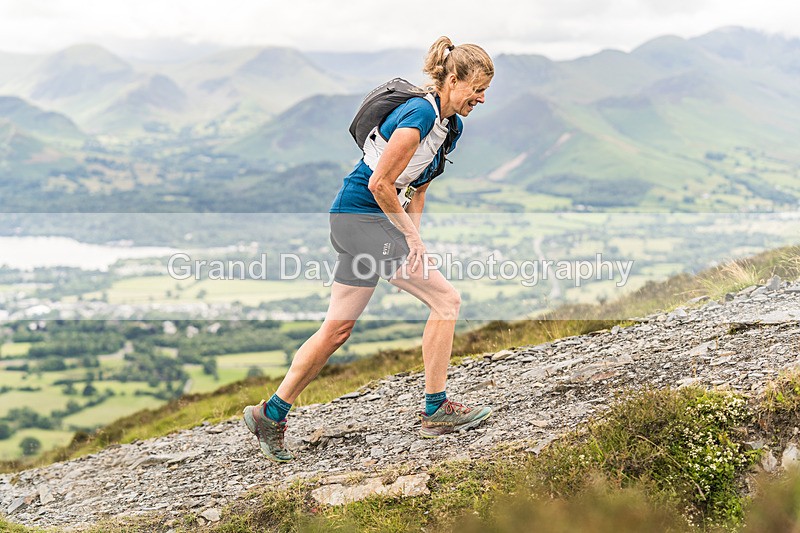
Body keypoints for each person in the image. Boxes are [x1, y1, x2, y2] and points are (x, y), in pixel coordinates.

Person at [243, 36, 495, 462]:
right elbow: (380, 183)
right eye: (477, 89)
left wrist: (415, 239)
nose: (482, 98)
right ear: (453, 80)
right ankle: (435, 410)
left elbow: (418, 189)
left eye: (485, 90)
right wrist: (410, 240)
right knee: (446, 301)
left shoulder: (451, 127)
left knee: (337, 329)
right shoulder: (420, 113)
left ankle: (270, 414)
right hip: (360, 216)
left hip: (362, 220)